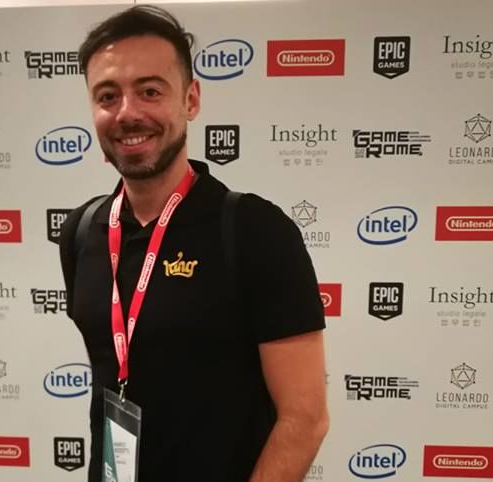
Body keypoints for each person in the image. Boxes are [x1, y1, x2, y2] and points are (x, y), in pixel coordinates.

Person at [59, 5, 329, 482]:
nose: (128, 113)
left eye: (150, 91)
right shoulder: (81, 231)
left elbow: (304, 419)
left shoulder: (255, 230)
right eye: (108, 96)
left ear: (190, 100)